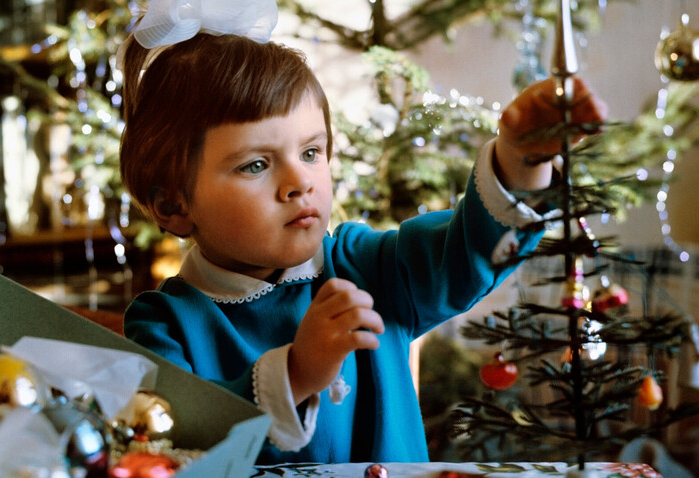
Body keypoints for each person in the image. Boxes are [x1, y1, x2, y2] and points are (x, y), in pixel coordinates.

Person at [119, 0, 606, 465]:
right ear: (173, 204)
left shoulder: (365, 268)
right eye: (256, 165)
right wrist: (294, 374)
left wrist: (520, 162)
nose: (299, 183)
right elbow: (169, 450)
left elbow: (465, 251)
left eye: (311, 152)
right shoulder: (164, 325)